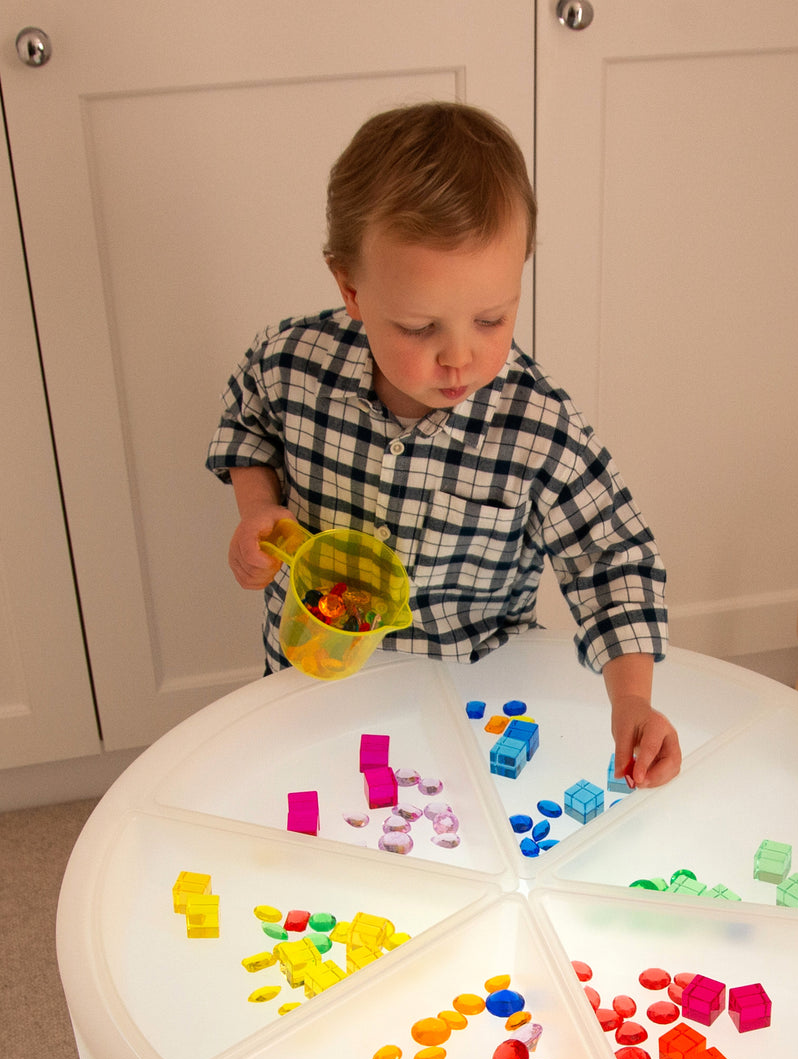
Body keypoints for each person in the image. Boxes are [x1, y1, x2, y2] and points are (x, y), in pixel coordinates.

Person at [207, 101, 680, 788]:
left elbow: (612, 557)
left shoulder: (536, 425)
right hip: (312, 683)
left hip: (471, 705)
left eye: (492, 317)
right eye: (420, 327)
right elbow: (248, 421)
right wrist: (256, 509)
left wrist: (631, 698)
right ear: (352, 289)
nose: (459, 357)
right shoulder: (290, 362)